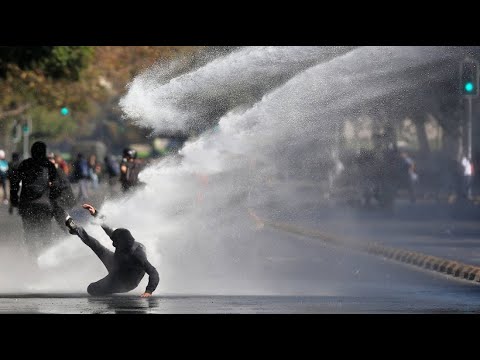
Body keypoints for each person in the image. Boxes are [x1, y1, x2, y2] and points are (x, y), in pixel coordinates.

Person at [65, 203, 159, 297]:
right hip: (116, 264)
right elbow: (109, 231)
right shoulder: (122, 240)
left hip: (124, 281)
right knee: (97, 246)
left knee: (91, 289)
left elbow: (153, 273)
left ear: (121, 243)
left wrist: (149, 291)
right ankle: (76, 229)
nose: (113, 243)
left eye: (115, 242)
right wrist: (95, 214)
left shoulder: (137, 254)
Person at [9, 141, 60, 257]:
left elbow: (14, 183)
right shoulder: (49, 165)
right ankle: (46, 258)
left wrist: (14, 199)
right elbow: (57, 186)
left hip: (27, 204)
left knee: (29, 233)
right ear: (44, 152)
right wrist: (53, 201)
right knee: (45, 234)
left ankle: (33, 257)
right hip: (45, 205)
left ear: (32, 152)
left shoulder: (24, 164)